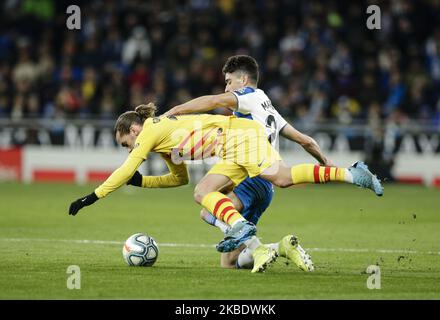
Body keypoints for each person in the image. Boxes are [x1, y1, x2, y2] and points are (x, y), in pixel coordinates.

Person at [68, 103, 383, 273]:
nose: (129, 149)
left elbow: (124, 169)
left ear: (132, 128)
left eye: (127, 143)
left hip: (240, 136)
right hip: (231, 149)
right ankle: (255, 240)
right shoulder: (163, 142)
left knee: (282, 178)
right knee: (202, 195)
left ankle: (349, 173)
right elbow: (178, 179)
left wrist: (91, 197)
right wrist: (143, 182)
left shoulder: (150, 129)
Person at [159, 55, 333, 270]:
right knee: (230, 262)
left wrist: (173, 111)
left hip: (248, 176)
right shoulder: (267, 108)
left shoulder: (248, 98)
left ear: (242, 80)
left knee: (207, 209)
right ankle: (280, 248)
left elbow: (213, 101)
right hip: (265, 188)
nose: (226, 88)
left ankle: (272, 246)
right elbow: (305, 140)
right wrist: (325, 162)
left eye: (229, 81)